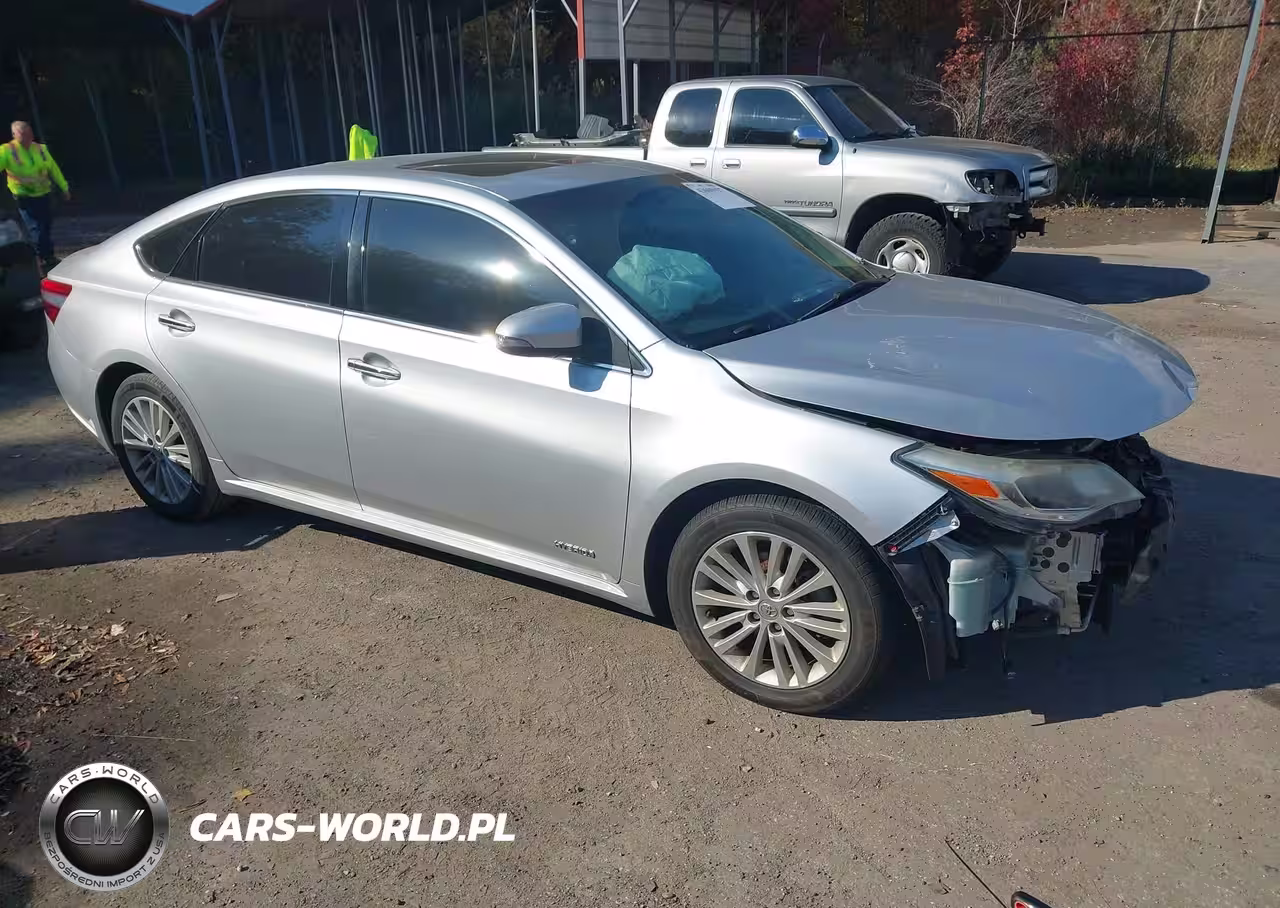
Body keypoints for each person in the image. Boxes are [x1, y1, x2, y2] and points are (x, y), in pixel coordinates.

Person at [0, 120, 69, 271]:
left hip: (44, 194)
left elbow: (53, 169)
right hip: (24, 197)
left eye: (28, 133)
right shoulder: (6, 150)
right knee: (36, 228)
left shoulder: (40, 149)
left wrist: (64, 187)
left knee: (45, 226)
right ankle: (43, 258)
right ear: (14, 135)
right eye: (22, 134)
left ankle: (46, 256)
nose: (26, 137)